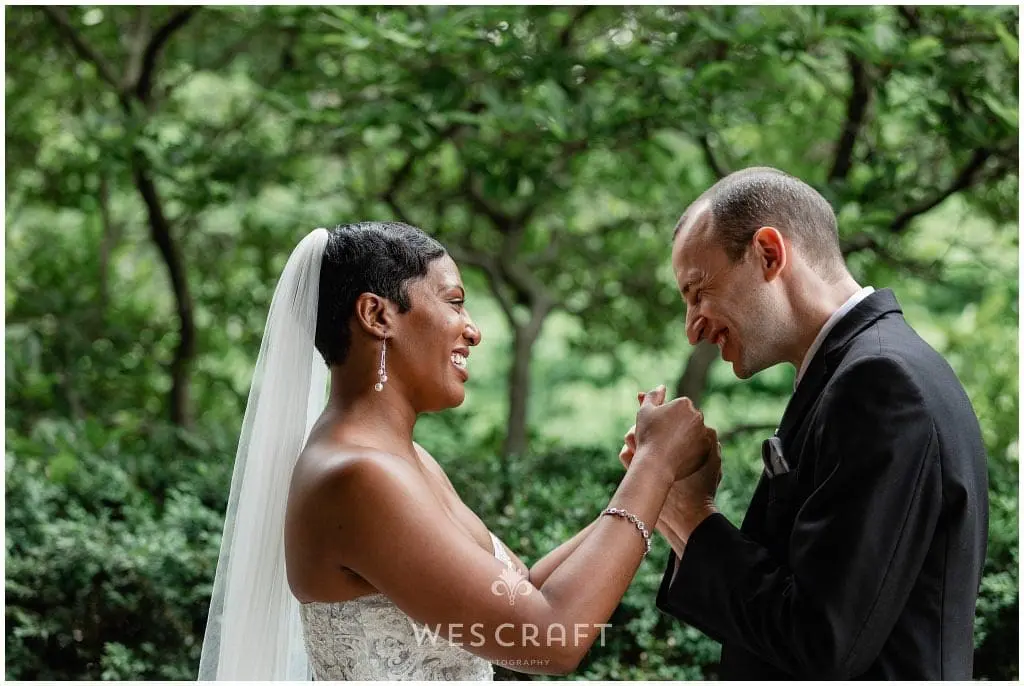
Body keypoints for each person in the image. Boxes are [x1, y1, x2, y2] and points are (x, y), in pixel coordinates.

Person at [197, 221, 717, 680]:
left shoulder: (407, 461)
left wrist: (653, 485)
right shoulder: (355, 477)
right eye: (453, 301)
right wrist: (653, 465)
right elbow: (550, 640)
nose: (473, 329)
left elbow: (521, 592)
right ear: (377, 315)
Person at [621, 167, 989, 679]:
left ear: (769, 253)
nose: (693, 328)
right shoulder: (855, 370)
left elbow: (822, 640)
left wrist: (688, 512)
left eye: (698, 291)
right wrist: (675, 507)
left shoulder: (880, 383)